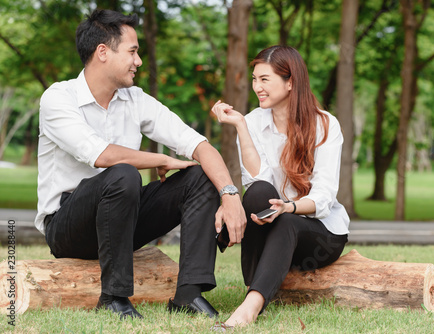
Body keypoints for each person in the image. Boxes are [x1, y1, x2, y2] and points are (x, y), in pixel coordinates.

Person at [35, 9, 246, 320]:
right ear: (103, 52)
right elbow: (102, 156)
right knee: (121, 173)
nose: (139, 61)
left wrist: (230, 195)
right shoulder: (58, 98)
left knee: (199, 176)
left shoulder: (135, 99)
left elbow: (200, 145)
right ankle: (114, 297)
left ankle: (189, 293)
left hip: (123, 219)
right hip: (68, 227)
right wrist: (162, 158)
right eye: (132, 51)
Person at [211, 45, 350, 327]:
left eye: (265, 79)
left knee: (287, 221)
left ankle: (249, 309)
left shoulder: (325, 124)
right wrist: (239, 125)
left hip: (319, 235)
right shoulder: (250, 122)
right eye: (254, 79)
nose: (257, 87)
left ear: (290, 82)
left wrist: (290, 207)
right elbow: (256, 186)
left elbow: (323, 197)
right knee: (259, 191)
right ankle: (255, 286)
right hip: (272, 228)